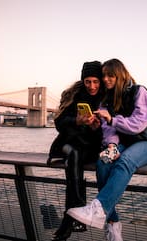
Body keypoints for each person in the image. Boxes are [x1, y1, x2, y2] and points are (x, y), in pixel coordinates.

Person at [67, 58, 147, 241]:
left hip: (145, 142)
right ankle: (113, 226)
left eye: (110, 75)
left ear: (120, 75)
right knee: (103, 161)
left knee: (125, 162)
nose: (105, 79)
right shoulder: (106, 100)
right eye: (103, 75)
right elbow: (108, 129)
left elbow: (138, 124)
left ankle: (97, 209)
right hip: (123, 143)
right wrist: (111, 144)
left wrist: (112, 119)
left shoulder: (139, 91)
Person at [47, 61, 104, 241]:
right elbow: (59, 123)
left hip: (88, 146)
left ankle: (69, 217)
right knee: (74, 154)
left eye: (95, 81)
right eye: (88, 81)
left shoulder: (106, 97)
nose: (92, 86)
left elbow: (111, 129)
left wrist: (96, 127)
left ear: (101, 81)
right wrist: (77, 122)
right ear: (83, 80)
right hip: (66, 144)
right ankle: (78, 208)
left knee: (76, 158)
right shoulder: (73, 95)